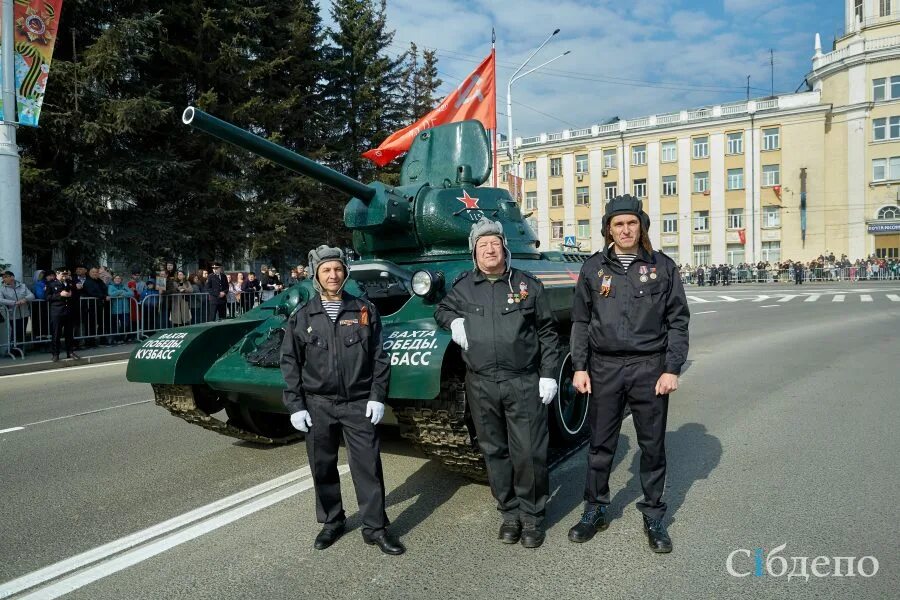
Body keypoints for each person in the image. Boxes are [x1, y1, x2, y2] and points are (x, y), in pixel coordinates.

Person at [568, 195, 690, 553]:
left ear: (642, 226)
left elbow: (678, 321)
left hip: (649, 368)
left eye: (631, 223)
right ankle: (595, 509)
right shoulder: (593, 269)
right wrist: (579, 366)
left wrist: (671, 368)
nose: (625, 229)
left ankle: (653, 515)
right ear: (609, 228)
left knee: (652, 446)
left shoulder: (662, 267)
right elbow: (580, 320)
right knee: (599, 445)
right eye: (618, 224)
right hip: (604, 367)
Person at [434, 218, 561, 549]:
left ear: (504, 247)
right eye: (482, 245)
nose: (489, 250)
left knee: (530, 451)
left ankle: (532, 516)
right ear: (474, 252)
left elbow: (547, 331)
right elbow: (441, 310)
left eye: (494, 243)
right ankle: (510, 512)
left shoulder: (526, 285)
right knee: (494, 450)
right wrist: (454, 321)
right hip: (481, 383)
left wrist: (549, 373)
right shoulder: (463, 287)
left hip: (522, 380)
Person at [280, 245, 403, 556]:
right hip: (317, 403)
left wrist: (377, 397)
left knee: (368, 467)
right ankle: (332, 521)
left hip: (358, 402)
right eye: (326, 270)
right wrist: (295, 405)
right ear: (316, 276)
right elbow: (289, 362)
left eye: (337, 269)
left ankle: (375, 528)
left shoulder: (363, 310)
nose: (333, 275)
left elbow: (379, 357)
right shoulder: (303, 316)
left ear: (345, 273)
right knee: (322, 465)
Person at [45, 268, 80, 361]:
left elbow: (76, 294)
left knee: (69, 334)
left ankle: (70, 352)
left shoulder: (69, 283)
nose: (64, 276)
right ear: (57, 274)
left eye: (65, 275)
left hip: (68, 311)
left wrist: (71, 294)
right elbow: (47, 297)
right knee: (56, 334)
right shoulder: (51, 284)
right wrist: (60, 295)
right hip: (57, 312)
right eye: (62, 275)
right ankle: (56, 354)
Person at [1, 270, 35, 352]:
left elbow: (32, 295)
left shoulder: (22, 286)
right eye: (3, 278)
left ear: (12, 277)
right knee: (15, 332)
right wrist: (14, 303)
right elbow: (0, 300)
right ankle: (13, 350)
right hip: (12, 314)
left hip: (24, 313)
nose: (3, 279)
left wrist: (25, 299)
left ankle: (21, 349)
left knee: (22, 332)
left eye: (5, 277)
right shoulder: (2, 289)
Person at [107, 275, 133, 342]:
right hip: (115, 309)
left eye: (119, 278)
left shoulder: (124, 286)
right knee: (115, 326)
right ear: (113, 279)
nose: (117, 279)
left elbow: (131, 293)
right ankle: (115, 339)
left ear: (121, 280)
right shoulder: (111, 286)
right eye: (116, 278)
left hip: (125, 309)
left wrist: (123, 294)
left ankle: (121, 338)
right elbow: (110, 294)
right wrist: (121, 291)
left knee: (125, 324)